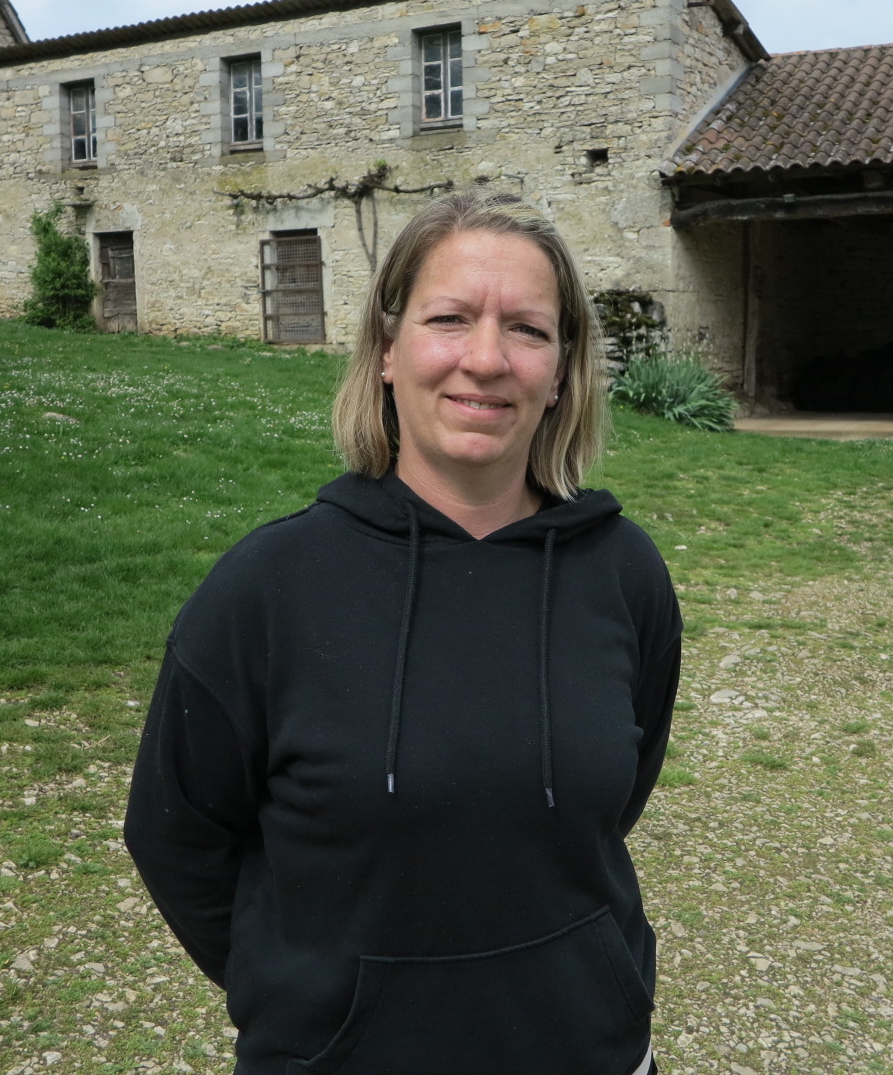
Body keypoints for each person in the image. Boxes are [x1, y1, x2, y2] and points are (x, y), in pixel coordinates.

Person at [125, 189, 683, 1075]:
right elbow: (176, 835)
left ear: (563, 372)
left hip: (590, 1049)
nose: (488, 360)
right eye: (450, 319)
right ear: (388, 350)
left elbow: (619, 792)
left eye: (529, 330)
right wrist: (311, 991)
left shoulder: (623, 573)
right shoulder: (267, 590)